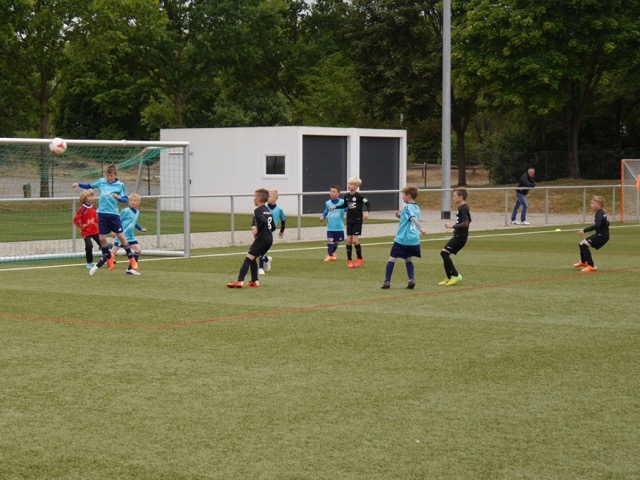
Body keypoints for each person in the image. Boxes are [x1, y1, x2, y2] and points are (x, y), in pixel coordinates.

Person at [72, 164, 139, 276]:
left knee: (121, 236)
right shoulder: (101, 182)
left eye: (111, 176)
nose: (109, 178)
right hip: (102, 214)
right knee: (102, 238)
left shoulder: (120, 185)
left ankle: (131, 258)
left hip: (113, 214)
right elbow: (89, 185)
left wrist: (118, 197)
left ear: (115, 175)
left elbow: (124, 199)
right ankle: (109, 259)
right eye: (107, 175)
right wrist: (78, 184)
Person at [381, 185, 426, 289]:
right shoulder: (417, 207)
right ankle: (411, 279)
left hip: (403, 238)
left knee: (392, 258)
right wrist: (400, 216)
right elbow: (408, 219)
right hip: (414, 240)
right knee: (408, 259)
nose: (402, 197)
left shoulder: (407, 207)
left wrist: (421, 228)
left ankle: (387, 281)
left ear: (408, 196)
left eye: (403, 195)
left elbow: (412, 218)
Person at [227, 189, 273, 288]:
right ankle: (254, 281)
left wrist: (257, 230)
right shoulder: (268, 210)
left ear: (259, 198)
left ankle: (240, 280)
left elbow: (263, 222)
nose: (253, 199)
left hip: (262, 239)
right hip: (269, 239)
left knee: (248, 258)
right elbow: (273, 226)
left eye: (254, 197)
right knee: (253, 258)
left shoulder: (258, 210)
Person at [330, 177, 370, 268]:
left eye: (351, 184)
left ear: (356, 186)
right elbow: (345, 205)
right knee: (348, 241)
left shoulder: (360, 196)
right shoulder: (346, 196)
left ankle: (359, 258)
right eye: (348, 183)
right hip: (349, 220)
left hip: (357, 220)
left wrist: (367, 212)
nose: (349, 185)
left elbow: (368, 204)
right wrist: (335, 207)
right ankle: (349, 260)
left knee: (355, 241)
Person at [439, 188, 471, 286]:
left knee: (444, 253)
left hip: (460, 238)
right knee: (444, 254)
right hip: (458, 235)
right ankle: (450, 277)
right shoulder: (461, 208)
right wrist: (455, 230)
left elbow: (466, 223)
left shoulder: (463, 208)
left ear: (461, 197)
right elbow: (466, 221)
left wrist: (453, 226)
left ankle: (456, 275)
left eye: (454, 196)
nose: (453, 198)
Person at [110, 193, 147, 275]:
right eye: (131, 200)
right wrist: (114, 231)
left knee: (138, 250)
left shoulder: (137, 212)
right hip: (121, 236)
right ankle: (98, 265)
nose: (133, 202)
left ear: (138, 203)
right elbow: (117, 220)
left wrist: (140, 228)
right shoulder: (125, 211)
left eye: (135, 200)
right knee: (113, 252)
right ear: (128, 202)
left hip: (130, 236)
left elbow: (134, 222)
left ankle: (130, 269)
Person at [573, 195, 609, 273]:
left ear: (599, 204)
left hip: (601, 236)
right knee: (581, 244)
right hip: (600, 235)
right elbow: (606, 223)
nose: (591, 205)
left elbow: (597, 225)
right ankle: (583, 262)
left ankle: (591, 266)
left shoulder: (599, 213)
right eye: (591, 203)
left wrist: (584, 230)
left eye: (593, 203)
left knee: (584, 245)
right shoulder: (601, 213)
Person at [258, 189, 286, 275]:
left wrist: (282, 231)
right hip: (261, 231)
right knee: (260, 250)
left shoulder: (279, 209)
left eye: (269, 196)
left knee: (261, 250)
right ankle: (266, 260)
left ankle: (261, 268)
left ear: (275, 198)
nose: (267, 198)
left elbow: (283, 220)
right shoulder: (263, 207)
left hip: (270, 233)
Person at [72, 189, 101, 269]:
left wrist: (100, 223)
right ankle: (89, 262)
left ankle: (108, 259)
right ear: (84, 198)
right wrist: (82, 225)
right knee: (89, 246)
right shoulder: (82, 209)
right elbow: (75, 220)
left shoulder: (94, 208)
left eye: (92, 196)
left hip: (95, 230)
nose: (91, 198)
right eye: (88, 196)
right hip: (86, 232)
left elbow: (96, 219)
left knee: (102, 244)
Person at [320, 185, 346, 262]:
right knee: (330, 240)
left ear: (338, 193)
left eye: (334, 191)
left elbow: (347, 209)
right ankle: (330, 255)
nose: (331, 193)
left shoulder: (342, 202)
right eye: (331, 191)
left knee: (336, 243)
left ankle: (332, 253)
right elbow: (326, 211)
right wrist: (323, 216)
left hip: (339, 227)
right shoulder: (328, 203)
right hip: (330, 226)